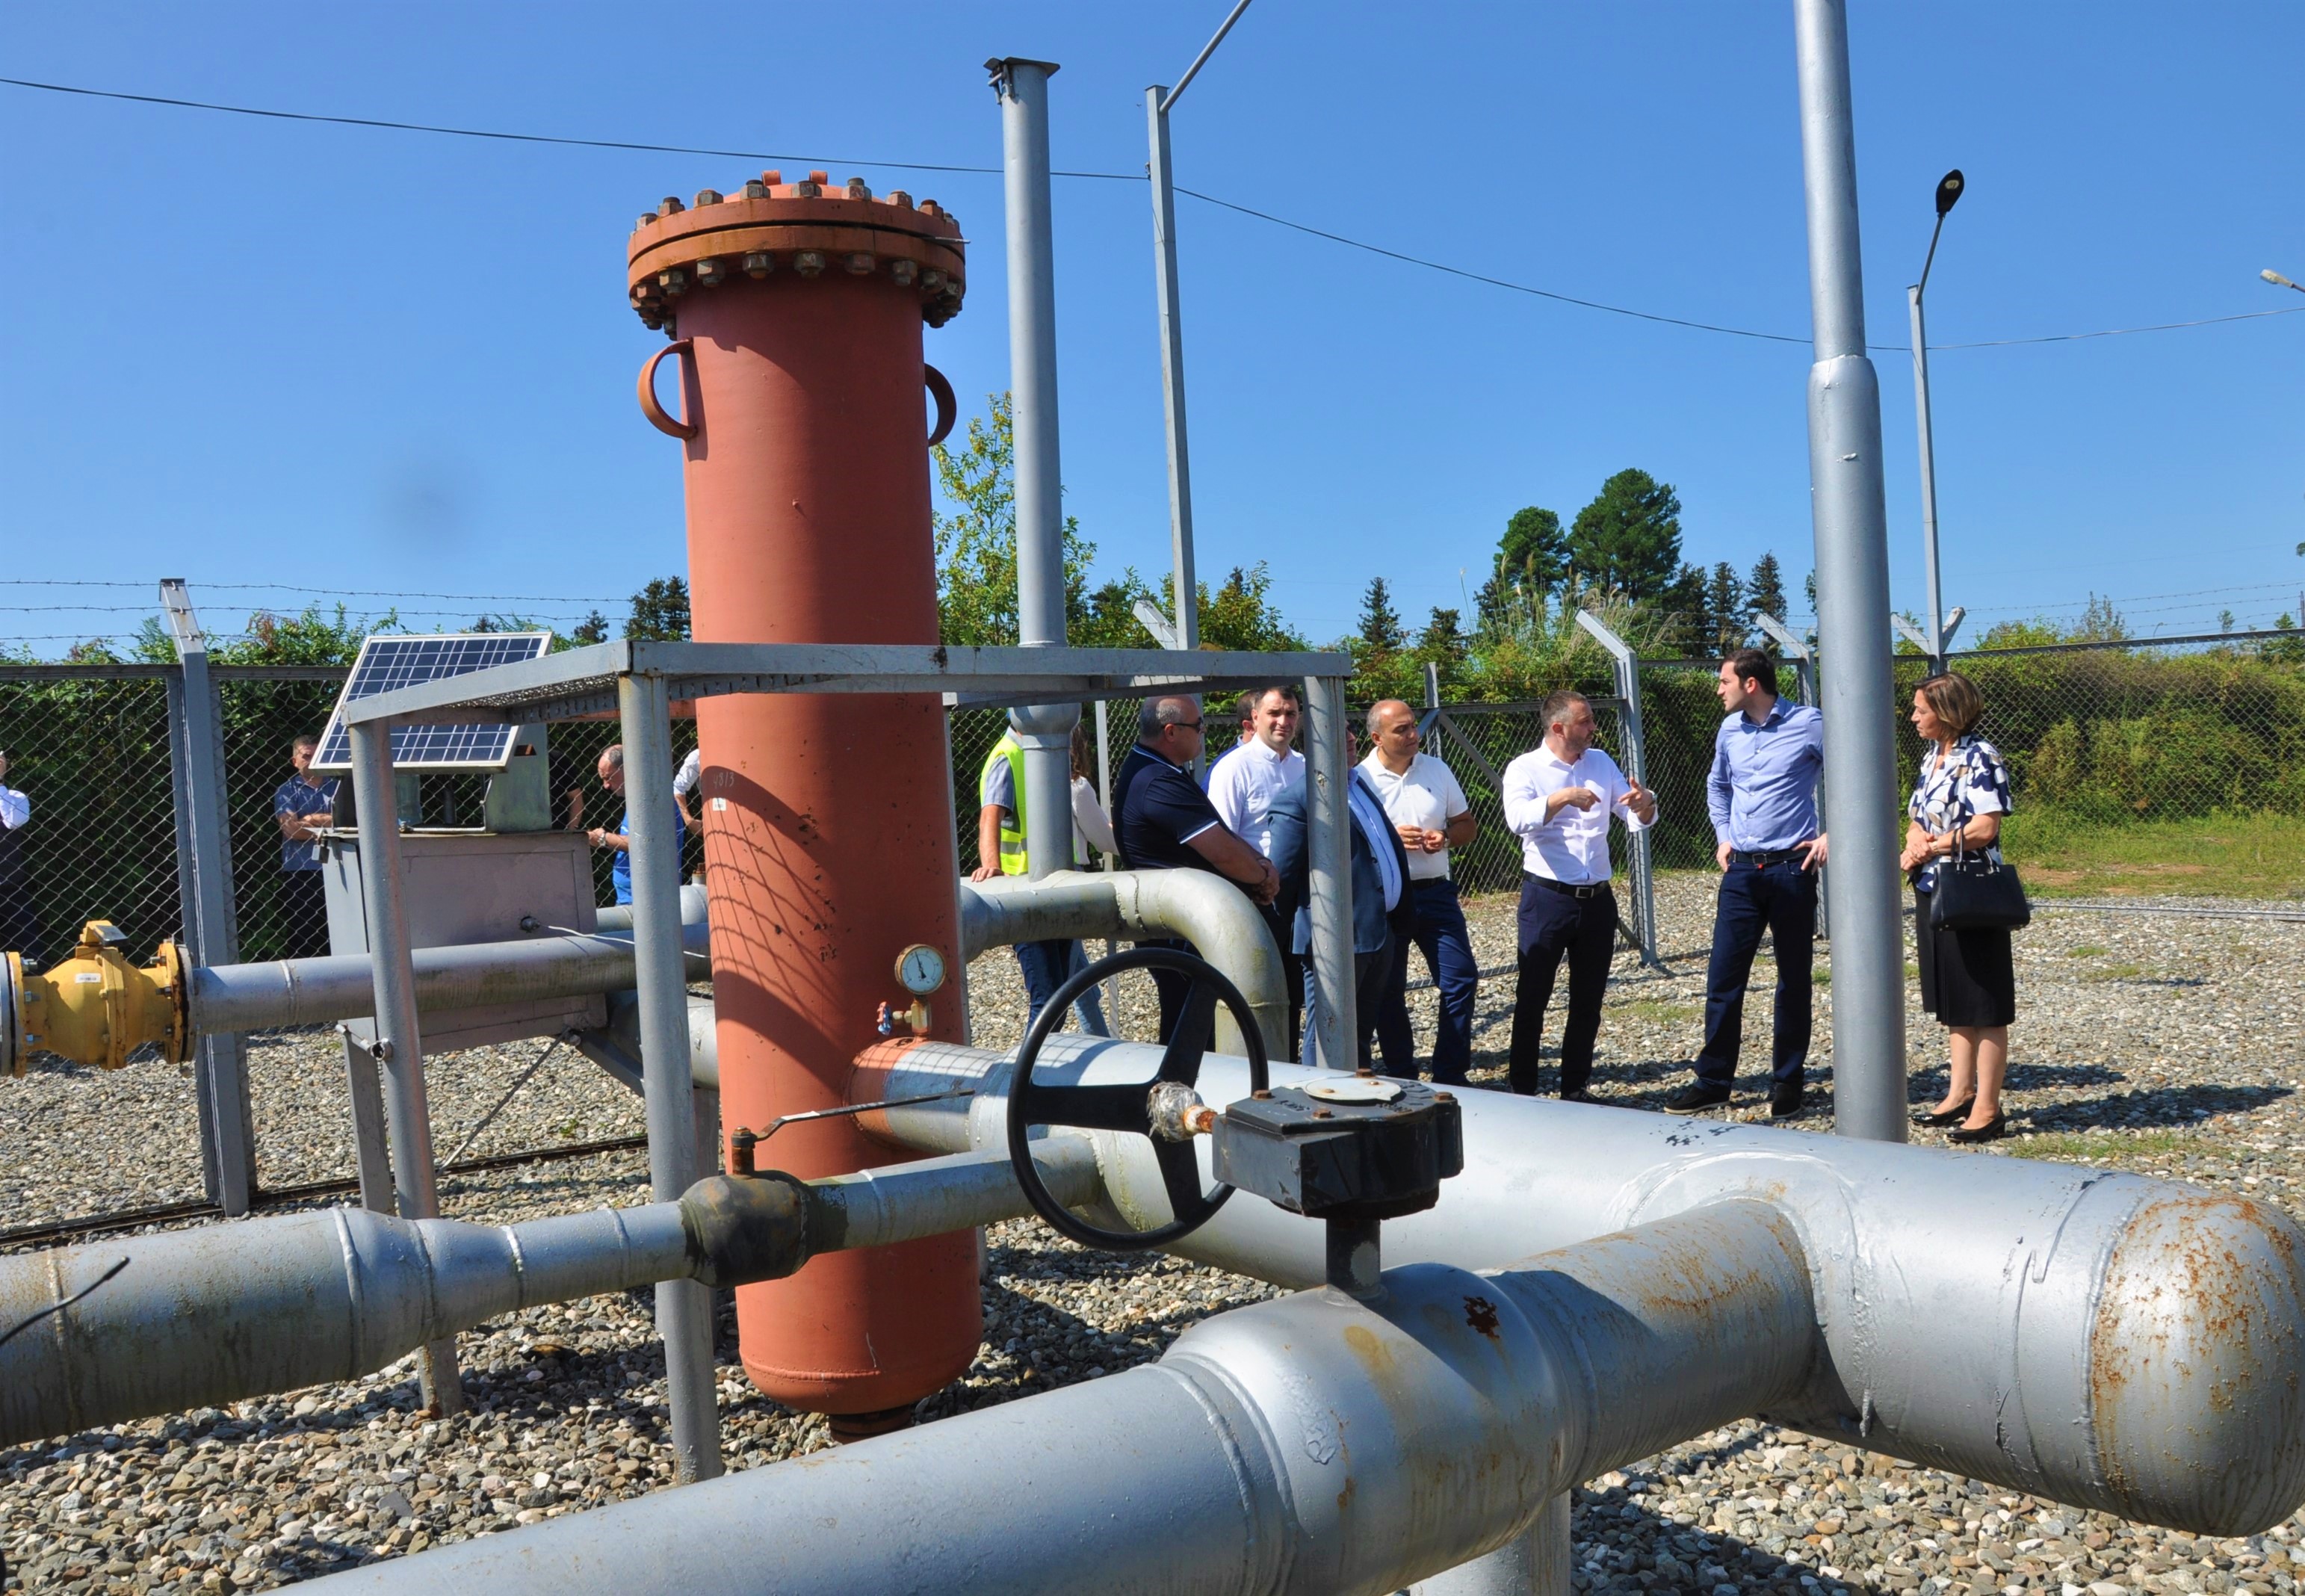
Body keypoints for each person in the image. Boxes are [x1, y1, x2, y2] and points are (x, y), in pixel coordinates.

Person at [1668, 649, 1829, 1119]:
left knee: (1793, 979)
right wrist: (1723, 835)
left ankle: (1788, 1082)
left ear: (1750, 684)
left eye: (1724, 681)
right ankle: (1713, 1081)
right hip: (1741, 872)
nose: (1719, 689)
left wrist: (1830, 834)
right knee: (1723, 978)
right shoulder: (1729, 730)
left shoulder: (1809, 723)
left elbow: (1851, 775)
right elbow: (1717, 785)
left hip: (1792, 868)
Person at [1499, 690, 1656, 1101]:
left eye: (1591, 720)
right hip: (1547, 898)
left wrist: (1645, 803)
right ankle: (1522, 1089)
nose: (1593, 728)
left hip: (1598, 899)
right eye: (1585, 722)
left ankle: (1575, 1089)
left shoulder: (1600, 762)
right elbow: (1517, 819)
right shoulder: (1524, 768)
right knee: (1533, 997)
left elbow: (1633, 815)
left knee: (1588, 1000)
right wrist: (1563, 797)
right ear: (1559, 728)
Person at [1112, 696, 1280, 1044]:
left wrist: (1259, 865)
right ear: (1171, 732)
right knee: (1193, 1033)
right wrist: (1262, 877)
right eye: (1198, 725)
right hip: (1181, 931)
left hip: (1183, 926)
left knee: (1196, 1027)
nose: (1203, 731)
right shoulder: (1157, 781)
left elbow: (1221, 834)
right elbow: (1220, 851)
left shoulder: (1160, 770)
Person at [1901, 672, 2018, 1145]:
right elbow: (1917, 815)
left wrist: (1931, 848)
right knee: (1955, 998)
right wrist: (1915, 839)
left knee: (1983, 1000)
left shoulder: (1981, 756)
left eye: (1921, 710)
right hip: (1935, 888)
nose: (1913, 717)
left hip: (1971, 892)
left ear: (1947, 712)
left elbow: (1985, 827)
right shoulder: (1933, 756)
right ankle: (1960, 1092)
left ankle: (1988, 1108)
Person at [1268, 726, 1416, 1071]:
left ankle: (1353, 1096)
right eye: (1339, 732)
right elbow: (1283, 875)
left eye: (1350, 732)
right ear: (1316, 746)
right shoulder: (1300, 798)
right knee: (1327, 1036)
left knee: (1360, 1034)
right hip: (1333, 940)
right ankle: (1318, 1095)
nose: (1350, 738)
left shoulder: (1357, 785)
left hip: (1378, 933)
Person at [1360, 699, 1479, 1086]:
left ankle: (1450, 1074)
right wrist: (1389, 838)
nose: (1414, 734)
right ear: (1377, 737)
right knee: (1388, 989)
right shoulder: (1360, 779)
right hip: (1387, 898)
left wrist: (1445, 837)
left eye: (1413, 725)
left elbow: (1467, 825)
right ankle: (1402, 1074)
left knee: (1461, 978)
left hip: (1436, 893)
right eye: (1402, 730)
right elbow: (1348, 843)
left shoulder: (1436, 769)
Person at [969, 722, 1108, 1035]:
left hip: (1052, 890)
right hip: (1026, 897)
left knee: (1059, 997)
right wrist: (992, 866)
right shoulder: (1008, 755)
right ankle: (1026, 1066)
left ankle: (1040, 1061)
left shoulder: (1042, 752)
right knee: (1048, 1001)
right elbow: (989, 816)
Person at [1205, 684, 1308, 1057]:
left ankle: (1286, 1064)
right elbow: (1222, 837)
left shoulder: (1304, 767)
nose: (1283, 721)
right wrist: (1257, 878)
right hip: (1258, 897)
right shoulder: (1234, 767)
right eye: (1274, 713)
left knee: (1294, 991)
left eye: (1291, 714)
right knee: (1255, 990)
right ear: (1255, 718)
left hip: (1302, 897)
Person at [588, 743, 686, 906]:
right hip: (635, 898)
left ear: (628, 769)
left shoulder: (652, 798)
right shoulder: (640, 798)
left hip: (649, 901)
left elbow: (646, 843)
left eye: (608, 777)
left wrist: (602, 838)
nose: (606, 785)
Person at [271, 734, 341, 959]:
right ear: (295, 761)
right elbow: (292, 831)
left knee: (339, 931)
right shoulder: (286, 791)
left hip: (339, 867)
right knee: (304, 934)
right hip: (301, 872)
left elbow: (351, 821)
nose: (312, 761)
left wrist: (311, 819)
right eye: (307, 756)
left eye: (317, 755)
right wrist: (329, 822)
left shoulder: (339, 786)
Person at [0, 747, 40, 969]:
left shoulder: (15, 797)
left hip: (12, 887)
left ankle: (35, 985)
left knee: (29, 950)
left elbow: (14, 821)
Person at [1198, 692, 1258, 791]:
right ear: (1249, 726)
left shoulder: (1284, 759)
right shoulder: (1225, 765)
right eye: (1272, 714)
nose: (1282, 722)